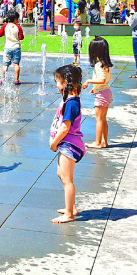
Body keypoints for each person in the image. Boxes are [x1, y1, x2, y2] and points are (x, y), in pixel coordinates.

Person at [49, 64, 85, 223]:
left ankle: (69, 213)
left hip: (70, 145)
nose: (56, 84)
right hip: (67, 144)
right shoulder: (70, 100)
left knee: (67, 179)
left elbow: (65, 127)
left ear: (66, 82)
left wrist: (54, 143)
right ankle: (71, 206)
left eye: (58, 81)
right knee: (62, 175)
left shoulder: (71, 103)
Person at [82, 37, 113, 149]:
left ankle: (98, 142)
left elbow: (102, 80)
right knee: (103, 119)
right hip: (106, 92)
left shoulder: (99, 64)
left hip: (102, 94)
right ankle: (104, 141)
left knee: (98, 119)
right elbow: (105, 80)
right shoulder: (106, 64)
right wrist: (95, 88)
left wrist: (88, 81)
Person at [0, 10, 24, 85]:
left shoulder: (5, 26)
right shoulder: (18, 27)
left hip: (7, 47)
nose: (18, 20)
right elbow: (21, 37)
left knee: (5, 64)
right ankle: (16, 80)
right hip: (16, 47)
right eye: (17, 19)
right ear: (15, 19)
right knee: (16, 64)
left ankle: (3, 79)